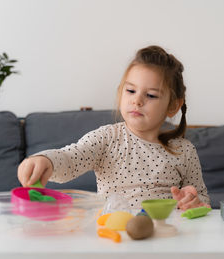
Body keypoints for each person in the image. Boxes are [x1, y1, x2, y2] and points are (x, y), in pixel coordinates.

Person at [17, 45, 210, 210]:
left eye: (151, 95)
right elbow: (71, 159)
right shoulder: (106, 138)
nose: (137, 100)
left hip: (165, 239)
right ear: (121, 92)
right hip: (116, 236)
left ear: (173, 106)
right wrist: (46, 160)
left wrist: (194, 203)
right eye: (131, 91)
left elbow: (202, 202)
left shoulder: (184, 151)